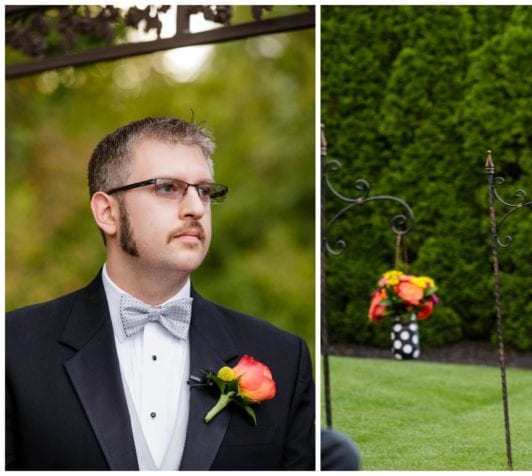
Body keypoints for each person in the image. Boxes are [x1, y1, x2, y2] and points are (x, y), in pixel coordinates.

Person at [5, 117, 315, 470]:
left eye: (205, 191)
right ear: (107, 212)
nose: (196, 208)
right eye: (167, 188)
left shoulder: (283, 356)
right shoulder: (13, 348)